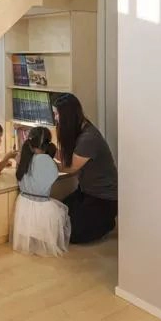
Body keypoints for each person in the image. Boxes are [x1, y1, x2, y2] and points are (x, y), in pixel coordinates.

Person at [53, 93, 118, 244]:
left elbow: (70, 168)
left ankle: (107, 221)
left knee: (73, 233)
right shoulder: (79, 131)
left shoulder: (88, 138)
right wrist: (47, 151)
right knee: (59, 219)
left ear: (68, 116)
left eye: (57, 114)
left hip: (104, 197)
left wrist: (45, 162)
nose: (55, 118)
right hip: (86, 192)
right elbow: (66, 157)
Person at [11, 126, 71, 256]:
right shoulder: (49, 161)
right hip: (43, 206)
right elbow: (53, 176)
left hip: (23, 204)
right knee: (63, 212)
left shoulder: (23, 158)